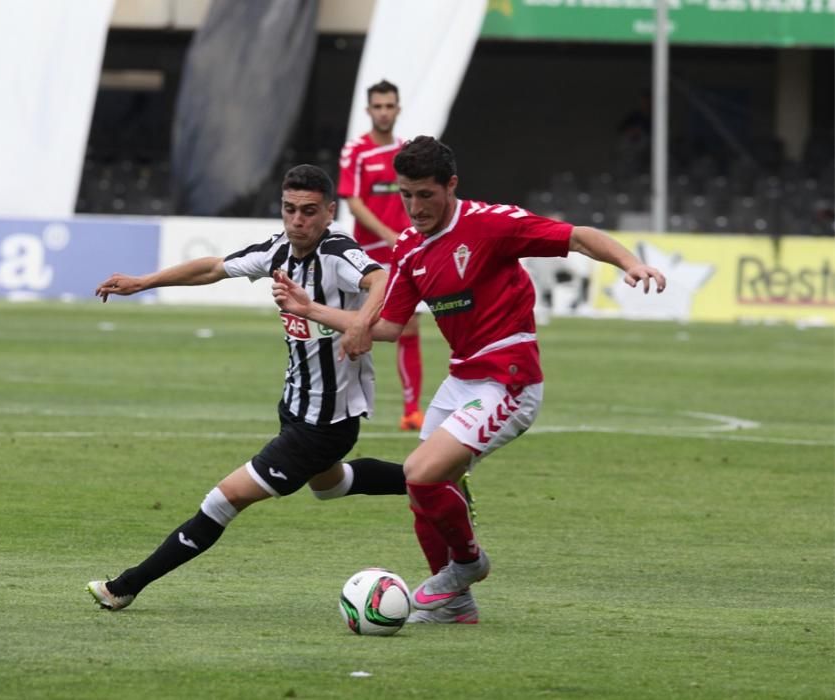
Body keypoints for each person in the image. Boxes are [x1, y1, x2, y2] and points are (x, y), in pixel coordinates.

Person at [273, 136, 667, 624]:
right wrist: (313, 311)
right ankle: (456, 604)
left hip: (509, 379)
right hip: (462, 378)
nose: (415, 208)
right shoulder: (411, 248)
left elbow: (578, 236)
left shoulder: (491, 224)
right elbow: (391, 327)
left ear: (450, 185)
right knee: (422, 487)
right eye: (406, 196)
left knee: (420, 471)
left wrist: (632, 264)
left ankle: (468, 563)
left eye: (425, 195)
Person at [85, 164, 407, 611]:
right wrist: (144, 282)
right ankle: (434, 478)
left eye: (309, 211)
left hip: (324, 422)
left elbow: (380, 279)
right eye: (289, 209)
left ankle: (125, 586)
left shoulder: (337, 253)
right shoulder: (278, 251)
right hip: (295, 406)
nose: (297, 220)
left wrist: (357, 324)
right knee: (330, 486)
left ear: (329, 213)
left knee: (223, 500)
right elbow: (214, 269)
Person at [338, 79, 424, 431]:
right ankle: (344, 401)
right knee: (354, 327)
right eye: (379, 106)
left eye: (390, 106)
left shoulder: (406, 153)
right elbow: (353, 201)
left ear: (398, 109)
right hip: (366, 259)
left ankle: (411, 409)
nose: (384, 112)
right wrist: (387, 233)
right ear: (368, 110)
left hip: (403, 254)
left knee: (411, 326)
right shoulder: (356, 151)